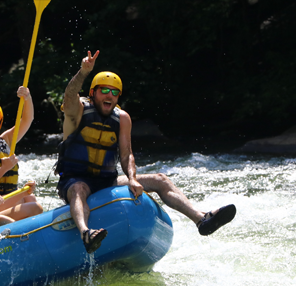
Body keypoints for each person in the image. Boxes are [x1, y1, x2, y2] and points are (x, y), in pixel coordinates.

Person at [58, 50, 237, 254]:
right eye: (104, 91)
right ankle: (86, 233)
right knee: (79, 188)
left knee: (160, 179)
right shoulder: (78, 111)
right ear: (93, 93)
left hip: (106, 181)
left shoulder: (122, 118)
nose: (110, 96)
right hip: (74, 180)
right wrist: (83, 72)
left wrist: (133, 179)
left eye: (115, 93)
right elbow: (69, 95)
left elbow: (127, 154)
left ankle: (201, 219)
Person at [0, 86, 42, 216]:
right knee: (33, 205)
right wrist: (4, 168)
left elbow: (27, 120)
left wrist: (27, 98)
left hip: (6, 198)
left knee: (30, 198)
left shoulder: (5, 140)